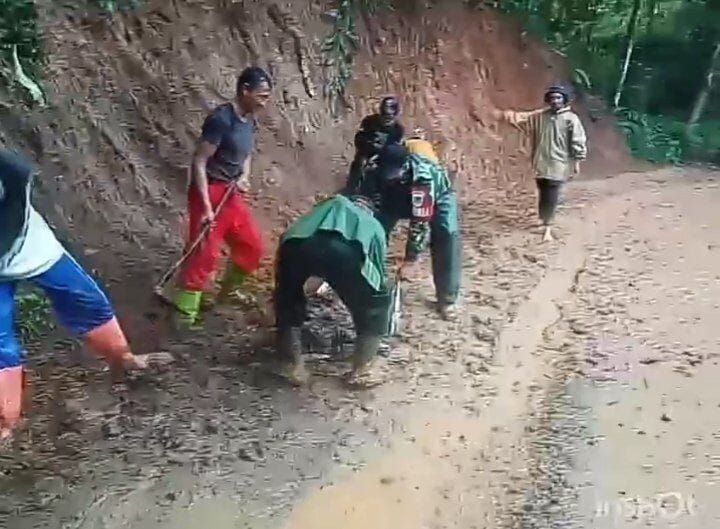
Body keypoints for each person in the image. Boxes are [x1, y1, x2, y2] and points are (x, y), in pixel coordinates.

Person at [0, 149, 149, 441]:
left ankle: (124, 359)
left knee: (84, 300)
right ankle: (6, 421)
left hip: (28, 243)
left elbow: (20, 173)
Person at [273, 149, 408, 387]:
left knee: (287, 296)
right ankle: (363, 368)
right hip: (347, 255)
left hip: (296, 246)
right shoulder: (373, 225)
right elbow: (376, 275)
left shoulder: (326, 206)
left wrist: (290, 284)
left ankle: (291, 363)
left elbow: (291, 237)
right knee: (377, 303)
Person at [173, 66, 272, 328]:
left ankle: (225, 294)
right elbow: (199, 161)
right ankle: (184, 316)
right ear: (245, 90)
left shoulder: (250, 120)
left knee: (252, 246)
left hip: (231, 192)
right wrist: (206, 207)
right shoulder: (221, 120)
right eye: (261, 95)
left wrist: (244, 176)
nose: (265, 102)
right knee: (203, 253)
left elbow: (246, 154)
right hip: (209, 190)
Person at [361, 141, 462, 321]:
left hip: (437, 197)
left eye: (393, 174)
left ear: (404, 166)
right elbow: (366, 202)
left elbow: (420, 224)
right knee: (373, 230)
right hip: (394, 199)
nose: (389, 177)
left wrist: (410, 259)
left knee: (447, 234)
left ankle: (447, 299)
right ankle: (369, 286)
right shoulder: (373, 169)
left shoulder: (423, 178)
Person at [493, 84, 588, 242]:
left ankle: (547, 228)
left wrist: (577, 162)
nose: (555, 100)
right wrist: (501, 115)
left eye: (558, 97)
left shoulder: (571, 119)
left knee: (551, 194)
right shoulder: (540, 116)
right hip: (540, 163)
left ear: (564, 100)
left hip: (559, 164)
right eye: (552, 98)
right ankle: (544, 221)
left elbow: (578, 141)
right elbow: (521, 119)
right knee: (543, 193)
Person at [345, 95, 405, 194]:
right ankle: (351, 189)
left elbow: (395, 150)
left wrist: (380, 157)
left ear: (395, 116)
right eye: (383, 115)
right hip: (366, 153)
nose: (386, 120)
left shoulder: (398, 129)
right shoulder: (369, 121)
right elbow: (359, 139)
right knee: (359, 164)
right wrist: (368, 149)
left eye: (389, 117)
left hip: (384, 158)